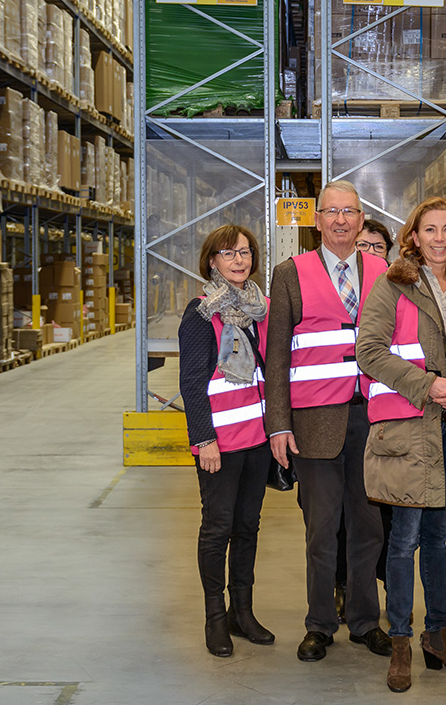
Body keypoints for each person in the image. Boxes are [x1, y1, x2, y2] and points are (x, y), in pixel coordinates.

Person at [356, 197, 446, 692]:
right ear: (412, 236)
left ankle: (439, 634)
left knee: (439, 539)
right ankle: (400, 638)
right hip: (409, 430)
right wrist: (427, 384)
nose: (439, 238)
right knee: (403, 542)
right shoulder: (392, 285)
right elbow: (368, 351)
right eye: (429, 230)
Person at [264, 180, 393, 662]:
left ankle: (364, 622)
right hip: (314, 423)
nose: (341, 220)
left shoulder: (384, 271)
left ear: (362, 220)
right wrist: (278, 425)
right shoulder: (290, 273)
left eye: (350, 212)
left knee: (368, 528)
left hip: (373, 419)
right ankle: (319, 623)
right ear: (316, 221)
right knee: (321, 529)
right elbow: (276, 355)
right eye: (331, 212)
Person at [178, 224, 275, 658]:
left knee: (247, 528)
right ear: (212, 261)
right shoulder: (201, 313)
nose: (240, 260)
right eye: (229, 253)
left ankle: (243, 612)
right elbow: (193, 382)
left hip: (254, 438)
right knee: (217, 529)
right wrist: (204, 438)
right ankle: (215, 618)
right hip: (219, 442)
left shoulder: (259, 309)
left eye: (246, 252)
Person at [331, 216, 397, 623]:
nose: (369, 253)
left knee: (381, 519)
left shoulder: (396, 290)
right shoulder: (337, 290)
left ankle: (380, 590)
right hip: (336, 415)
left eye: (377, 247)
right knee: (337, 518)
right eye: (363, 246)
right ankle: (345, 589)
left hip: (383, 418)